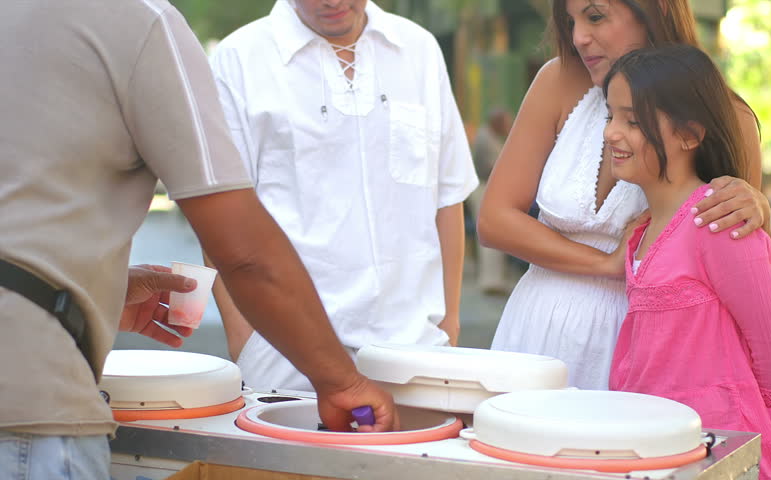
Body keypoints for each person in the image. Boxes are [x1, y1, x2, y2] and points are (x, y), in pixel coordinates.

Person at [0, 1, 399, 477]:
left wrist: (87, 293)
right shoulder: (140, 19)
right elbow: (245, 253)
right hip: (26, 398)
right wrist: (343, 382)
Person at [479, 0, 770, 390]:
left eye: (595, 16)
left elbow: (738, 272)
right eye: (571, 20)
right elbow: (495, 220)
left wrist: (757, 208)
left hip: (646, 346)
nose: (579, 37)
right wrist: (608, 264)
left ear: (656, 8)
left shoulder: (726, 116)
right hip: (535, 331)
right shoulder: (559, 81)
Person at [208, 0, 478, 392]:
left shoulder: (418, 49)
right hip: (287, 360)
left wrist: (449, 325)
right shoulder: (238, 61)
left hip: (418, 352)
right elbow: (221, 215)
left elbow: (448, 196)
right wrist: (245, 341)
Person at [604, 44, 771, 480]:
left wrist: (770, 455)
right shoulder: (640, 233)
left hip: (723, 456)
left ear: (689, 135)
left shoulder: (717, 221)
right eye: (611, 116)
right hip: (660, 454)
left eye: (633, 121)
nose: (611, 133)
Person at [469, 108, 514, 295]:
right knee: (489, 238)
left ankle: (494, 280)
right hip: (483, 189)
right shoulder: (485, 138)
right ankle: (490, 282)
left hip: (487, 189)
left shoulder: (489, 136)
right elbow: (490, 168)